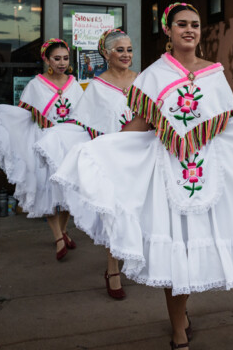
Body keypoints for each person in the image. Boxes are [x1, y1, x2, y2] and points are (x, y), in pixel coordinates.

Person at [51, 2, 233, 349]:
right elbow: (141, 123)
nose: (190, 30)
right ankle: (178, 326)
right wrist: (105, 152)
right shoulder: (153, 75)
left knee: (195, 255)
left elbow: (226, 119)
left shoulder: (213, 72)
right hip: (166, 173)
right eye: (181, 24)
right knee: (175, 255)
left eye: (195, 24)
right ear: (168, 29)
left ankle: (181, 313)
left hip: (209, 171)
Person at [34, 29, 137, 295]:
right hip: (112, 159)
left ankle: (136, 258)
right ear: (106, 53)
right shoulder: (97, 87)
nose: (126, 55)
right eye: (120, 50)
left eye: (129, 49)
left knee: (139, 214)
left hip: (141, 157)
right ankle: (112, 268)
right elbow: (84, 124)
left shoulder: (143, 81)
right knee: (115, 214)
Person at [0, 38, 84, 261]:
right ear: (47, 60)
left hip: (69, 143)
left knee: (68, 190)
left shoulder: (74, 83)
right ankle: (58, 238)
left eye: (65, 58)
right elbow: (25, 113)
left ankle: (64, 230)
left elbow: (82, 112)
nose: (62, 63)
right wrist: (36, 116)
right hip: (44, 143)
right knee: (46, 189)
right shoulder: (36, 85)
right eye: (57, 58)